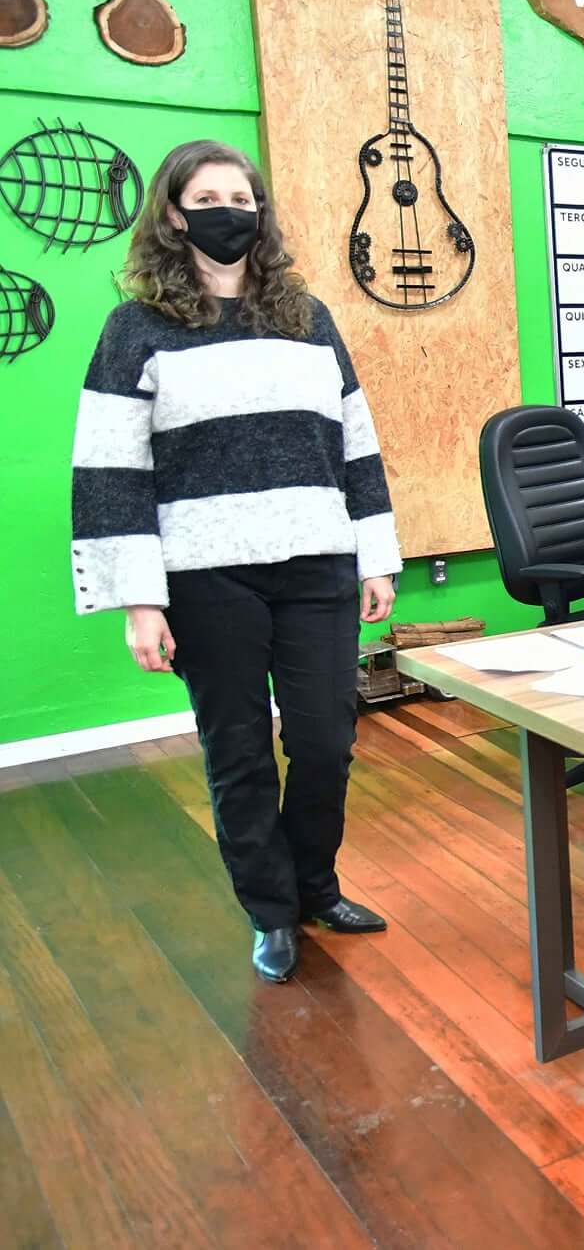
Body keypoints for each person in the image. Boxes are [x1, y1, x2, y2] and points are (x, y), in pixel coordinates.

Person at [70, 140, 399, 985]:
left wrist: (375, 555)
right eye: (208, 199)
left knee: (325, 739)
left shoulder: (306, 316)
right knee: (239, 750)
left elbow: (355, 442)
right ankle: (272, 910)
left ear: (261, 212)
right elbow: (109, 469)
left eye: (242, 198)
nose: (229, 212)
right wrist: (139, 600)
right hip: (205, 574)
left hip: (317, 561)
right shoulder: (136, 328)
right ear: (174, 216)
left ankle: (316, 884)